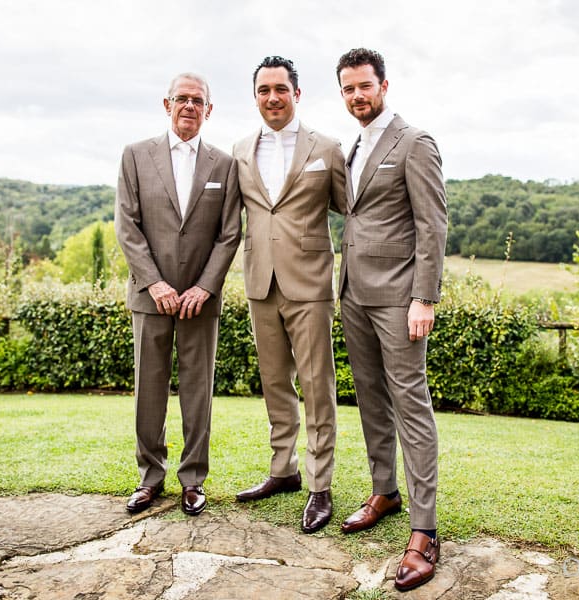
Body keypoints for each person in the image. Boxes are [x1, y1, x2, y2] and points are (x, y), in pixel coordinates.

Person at [335, 48, 448, 591]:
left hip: (401, 296)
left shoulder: (415, 142)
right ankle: (385, 491)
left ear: (384, 85)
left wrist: (424, 297)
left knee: (411, 403)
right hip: (352, 293)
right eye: (348, 88)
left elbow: (432, 225)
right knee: (370, 396)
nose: (357, 96)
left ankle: (424, 531)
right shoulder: (352, 147)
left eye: (365, 86)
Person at [115, 73, 241, 516]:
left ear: (210, 110)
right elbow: (126, 226)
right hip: (151, 297)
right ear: (166, 104)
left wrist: (205, 287)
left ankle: (193, 480)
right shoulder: (135, 155)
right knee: (149, 390)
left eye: (198, 100)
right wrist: (155, 282)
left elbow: (229, 234)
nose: (189, 106)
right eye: (181, 99)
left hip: (199, 302)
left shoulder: (224, 165)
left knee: (197, 391)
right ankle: (150, 478)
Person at [233, 56, 346, 534]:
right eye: (264, 91)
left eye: (281, 89)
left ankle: (321, 484)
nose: (272, 98)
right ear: (256, 96)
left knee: (318, 386)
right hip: (260, 282)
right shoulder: (240, 150)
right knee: (275, 382)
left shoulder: (328, 147)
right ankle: (285, 471)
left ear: (296, 94)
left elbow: (352, 210)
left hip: (311, 285)